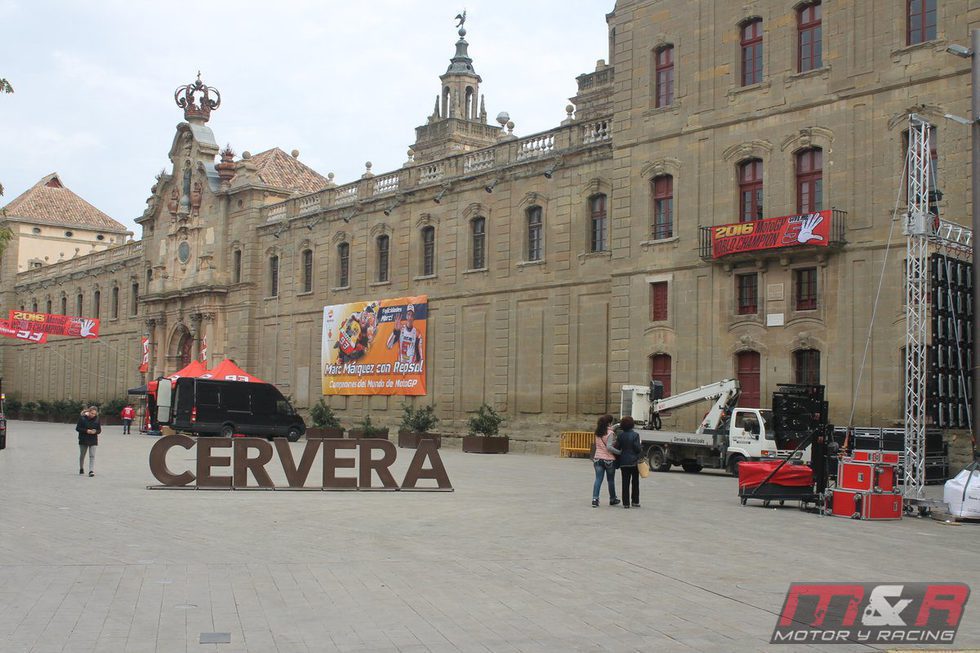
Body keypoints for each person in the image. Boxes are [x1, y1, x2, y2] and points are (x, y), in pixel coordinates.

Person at [591, 414, 620, 508]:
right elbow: (609, 447)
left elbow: (610, 428)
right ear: (609, 423)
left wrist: (617, 425)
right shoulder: (610, 433)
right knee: (610, 480)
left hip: (598, 458)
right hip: (609, 460)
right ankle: (612, 498)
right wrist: (619, 452)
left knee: (598, 479)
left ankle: (595, 499)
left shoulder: (598, 432)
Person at [617, 416, 643, 508]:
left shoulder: (620, 435)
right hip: (634, 462)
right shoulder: (635, 435)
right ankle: (635, 501)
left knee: (625, 482)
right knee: (635, 482)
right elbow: (637, 448)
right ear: (632, 424)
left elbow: (618, 447)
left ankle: (626, 503)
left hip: (623, 461)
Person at [76, 405, 101, 477]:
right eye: (92, 413)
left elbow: (99, 430)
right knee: (82, 455)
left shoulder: (97, 419)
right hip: (83, 439)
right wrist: (86, 431)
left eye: (94, 414)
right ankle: (81, 468)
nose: (93, 415)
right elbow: (77, 428)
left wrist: (95, 431)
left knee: (92, 455)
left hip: (93, 439)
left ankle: (91, 471)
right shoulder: (82, 418)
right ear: (89, 411)